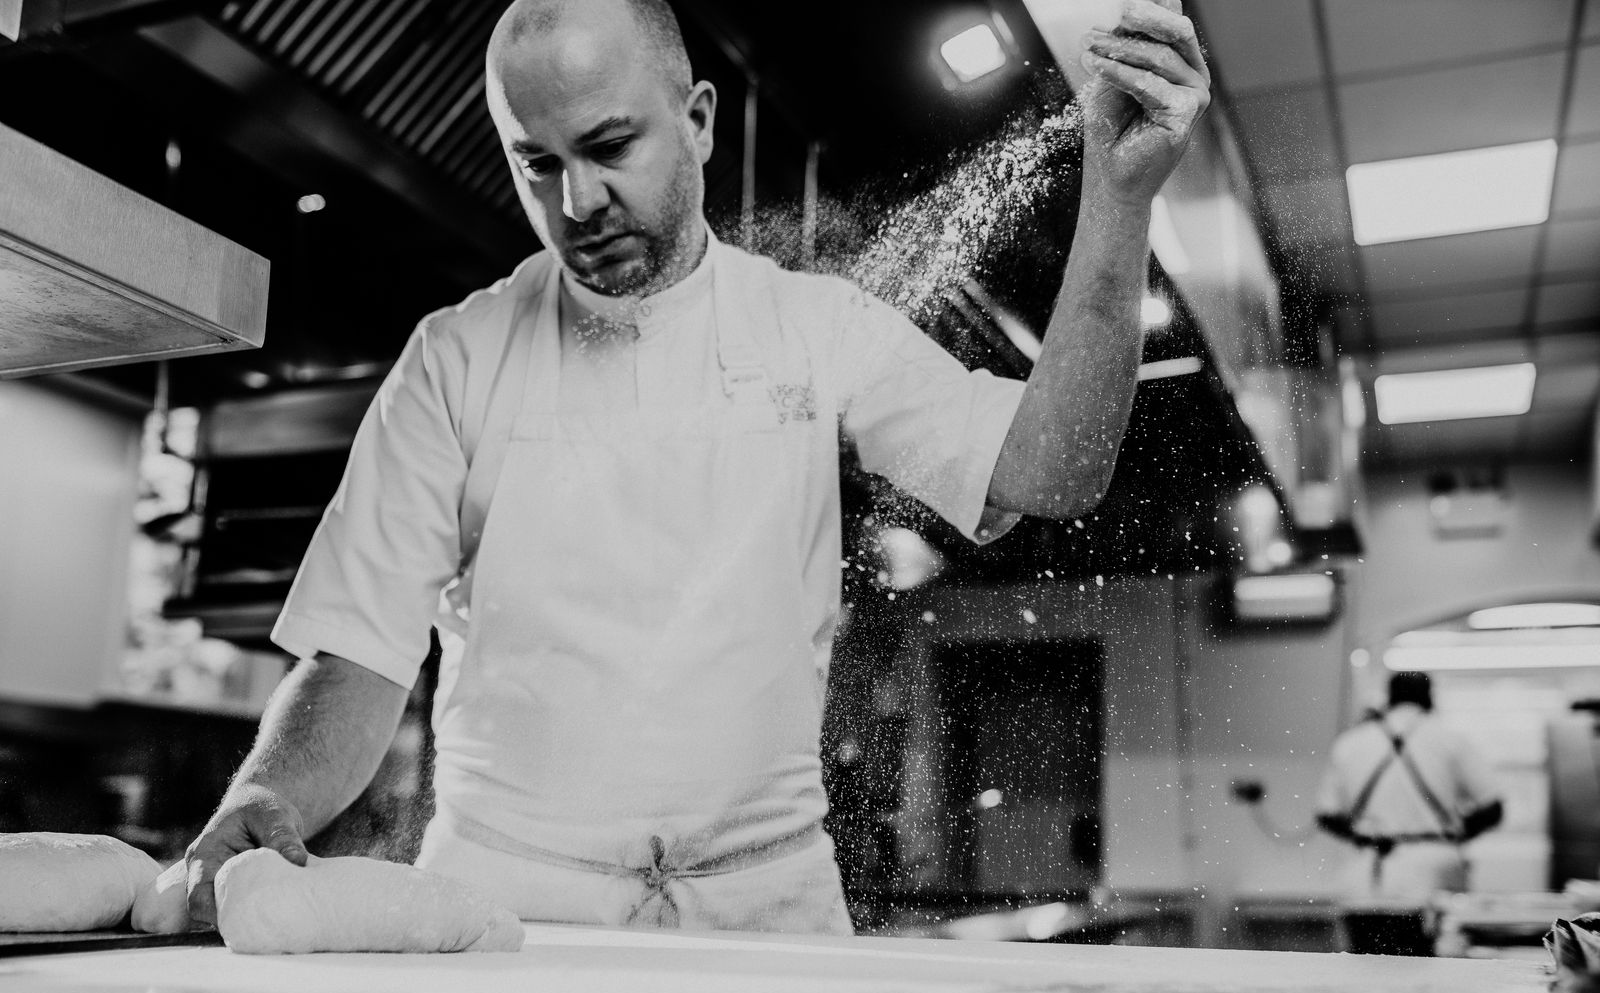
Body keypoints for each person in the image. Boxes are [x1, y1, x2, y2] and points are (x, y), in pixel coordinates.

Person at [182, 0, 1212, 934]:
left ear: (700, 119)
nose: (576, 199)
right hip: (507, 915)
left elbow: (1054, 468)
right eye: (535, 162)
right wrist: (261, 802)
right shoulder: (454, 359)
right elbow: (353, 658)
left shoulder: (814, 329)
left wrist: (1117, 202)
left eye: (609, 144)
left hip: (764, 912)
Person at [1316, 672, 1504, 899]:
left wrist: (1363, 836)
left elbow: (1326, 815)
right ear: (1430, 699)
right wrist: (1455, 833)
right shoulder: (1450, 740)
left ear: (1389, 699)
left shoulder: (1350, 743)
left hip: (1364, 874)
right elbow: (1493, 807)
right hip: (1434, 870)